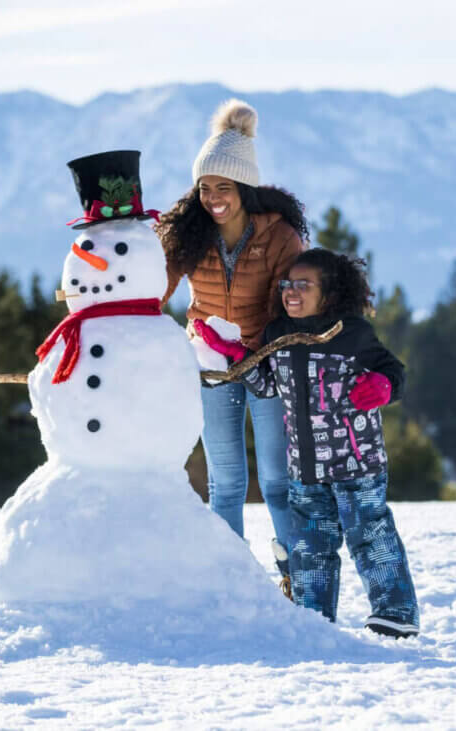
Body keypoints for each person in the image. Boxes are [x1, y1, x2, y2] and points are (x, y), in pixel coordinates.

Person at [193, 248, 420, 638]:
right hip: (305, 469)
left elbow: (392, 370)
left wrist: (382, 386)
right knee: (310, 546)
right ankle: (312, 618)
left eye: (303, 285)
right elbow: (267, 386)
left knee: (369, 535)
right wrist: (237, 358)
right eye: (287, 285)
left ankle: (395, 611)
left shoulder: (352, 333)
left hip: (357, 464)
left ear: (328, 293)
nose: (291, 292)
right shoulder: (278, 335)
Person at [156, 99, 306, 583]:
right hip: (210, 365)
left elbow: (295, 299)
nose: (213, 197)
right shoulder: (189, 235)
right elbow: (154, 289)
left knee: (278, 482)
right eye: (205, 187)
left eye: (223, 186)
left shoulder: (280, 235)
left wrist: (270, 350)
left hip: (266, 364)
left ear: (244, 186)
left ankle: (297, 576)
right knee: (225, 482)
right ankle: (233, 578)